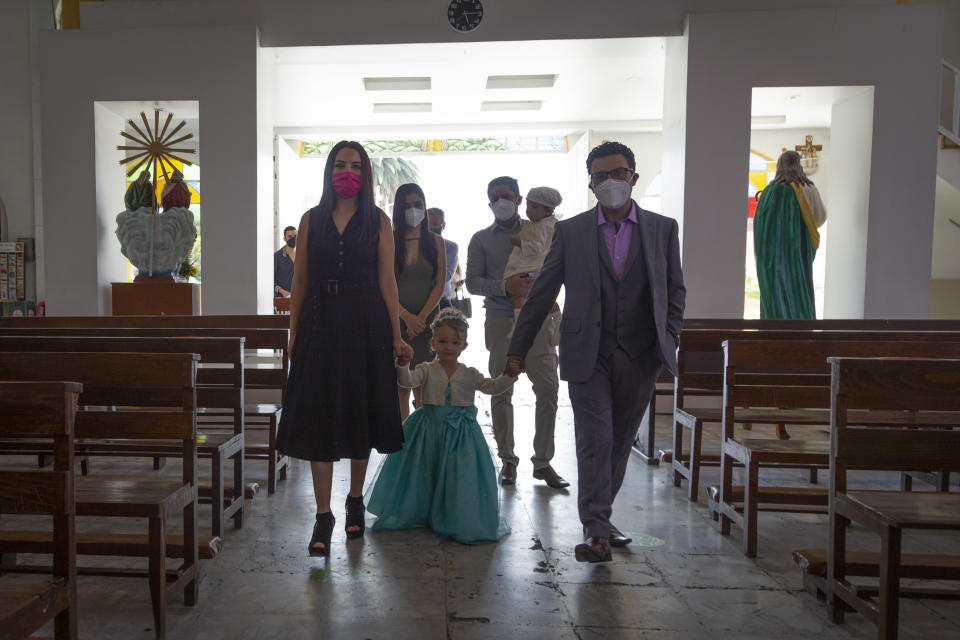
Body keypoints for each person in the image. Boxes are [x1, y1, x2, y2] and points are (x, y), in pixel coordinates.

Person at [506, 141, 685, 563]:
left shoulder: (662, 229)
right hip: (588, 351)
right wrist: (517, 348)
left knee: (620, 442)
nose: (610, 182)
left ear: (633, 178)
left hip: (641, 354)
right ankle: (597, 531)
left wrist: (669, 339)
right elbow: (542, 292)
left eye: (617, 173)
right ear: (590, 183)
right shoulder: (571, 232)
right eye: (600, 176)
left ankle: (601, 516)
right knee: (595, 438)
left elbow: (675, 290)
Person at [276, 140, 413, 558]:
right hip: (319, 321)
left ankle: (355, 498)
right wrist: (294, 332)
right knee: (319, 413)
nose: (347, 171)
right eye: (340, 164)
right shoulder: (311, 220)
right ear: (329, 170)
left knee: (359, 410)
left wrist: (395, 334)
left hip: (365, 322)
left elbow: (388, 282)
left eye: (355, 165)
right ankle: (323, 515)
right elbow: (299, 282)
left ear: (366, 173)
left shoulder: (379, 221)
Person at [365, 309, 515, 544]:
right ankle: (422, 511)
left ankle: (452, 514)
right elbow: (406, 381)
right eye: (443, 341)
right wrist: (402, 365)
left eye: (455, 342)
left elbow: (492, 387)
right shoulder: (426, 369)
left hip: (460, 435)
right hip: (427, 430)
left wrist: (509, 376)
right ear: (433, 343)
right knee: (424, 471)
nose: (448, 346)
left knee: (456, 474)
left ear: (464, 345)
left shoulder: (469, 373)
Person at [466, 176, 566, 489]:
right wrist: (504, 286)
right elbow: (472, 282)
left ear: (520, 199)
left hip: (538, 321)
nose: (501, 202)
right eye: (495, 198)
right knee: (501, 390)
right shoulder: (481, 239)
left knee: (548, 389)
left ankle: (543, 462)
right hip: (500, 321)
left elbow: (560, 267)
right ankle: (507, 460)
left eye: (507, 196)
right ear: (488, 203)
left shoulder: (547, 228)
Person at [753, 150, 827, 320]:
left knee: (774, 300)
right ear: (798, 166)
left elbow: (760, 229)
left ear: (779, 167)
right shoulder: (808, 188)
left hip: (771, 263)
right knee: (799, 294)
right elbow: (820, 218)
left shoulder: (768, 193)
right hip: (799, 257)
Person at [394, 184, 446, 421]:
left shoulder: (435, 242)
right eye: (406, 206)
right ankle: (403, 446)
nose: (413, 210)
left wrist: (422, 318)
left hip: (427, 325)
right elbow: (383, 285)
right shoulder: (388, 241)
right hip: (397, 324)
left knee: (424, 386)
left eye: (418, 205)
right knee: (400, 387)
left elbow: (439, 284)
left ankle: (423, 443)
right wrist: (406, 316)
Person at [503, 186, 563, 346]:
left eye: (534, 207)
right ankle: (557, 324)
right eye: (528, 206)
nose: (529, 211)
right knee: (545, 300)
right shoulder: (541, 223)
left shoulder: (543, 226)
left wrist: (518, 242)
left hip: (532, 269)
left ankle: (519, 327)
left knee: (520, 298)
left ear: (549, 209)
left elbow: (536, 248)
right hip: (534, 269)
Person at [427, 207, 459, 309]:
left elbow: (446, 276)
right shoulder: (413, 246)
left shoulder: (450, 247)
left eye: (436, 224)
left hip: (441, 302)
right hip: (418, 301)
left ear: (443, 225)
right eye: (429, 225)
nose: (432, 228)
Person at [274, 225, 296, 298]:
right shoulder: (277, 256)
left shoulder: (301, 256)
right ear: (284, 239)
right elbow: (270, 280)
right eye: (290, 237)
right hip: (281, 298)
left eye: (295, 236)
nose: (293, 239)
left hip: (298, 297)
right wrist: (282, 291)